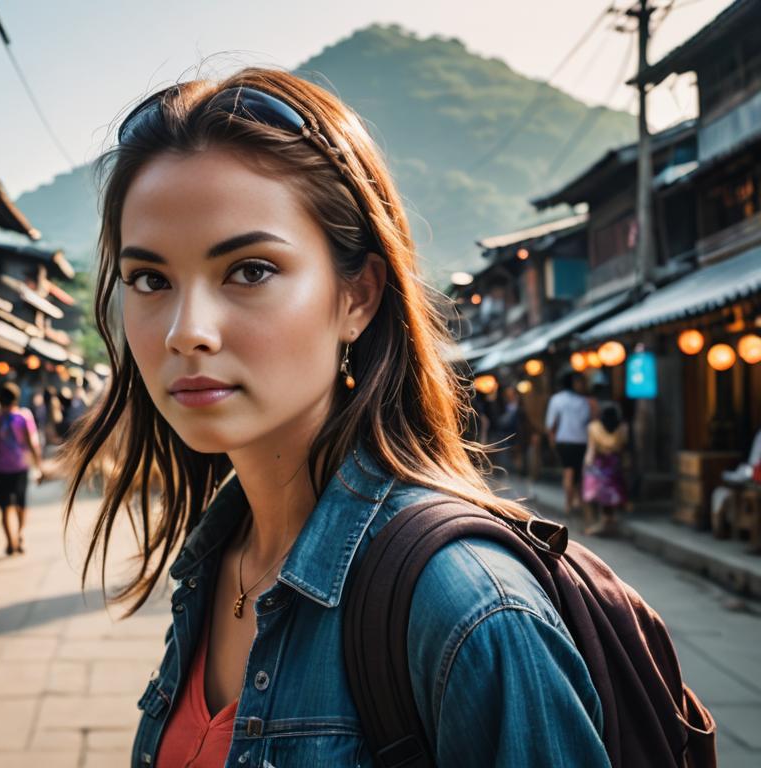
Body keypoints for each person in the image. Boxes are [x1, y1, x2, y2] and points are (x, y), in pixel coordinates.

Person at [64, 70, 608, 766]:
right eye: (150, 279)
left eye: (250, 270)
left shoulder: (466, 609)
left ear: (357, 296)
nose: (185, 331)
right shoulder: (219, 560)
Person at [0, 382, 43, 555]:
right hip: (20, 467)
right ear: (16, 398)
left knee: (5, 507)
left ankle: (10, 541)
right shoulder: (24, 416)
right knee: (21, 504)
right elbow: (32, 443)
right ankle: (19, 535)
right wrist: (39, 465)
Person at [545, 371, 592, 518]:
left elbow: (550, 424)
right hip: (582, 441)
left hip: (563, 441)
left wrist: (552, 442)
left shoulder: (556, 399)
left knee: (568, 472)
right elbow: (587, 421)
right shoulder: (584, 401)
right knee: (578, 473)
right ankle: (577, 502)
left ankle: (568, 505)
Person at [582, 403, 629, 536]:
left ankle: (598, 523)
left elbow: (591, 448)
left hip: (599, 464)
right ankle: (609, 521)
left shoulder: (593, 427)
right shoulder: (622, 427)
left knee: (597, 495)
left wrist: (587, 463)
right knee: (612, 496)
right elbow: (623, 446)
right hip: (614, 464)